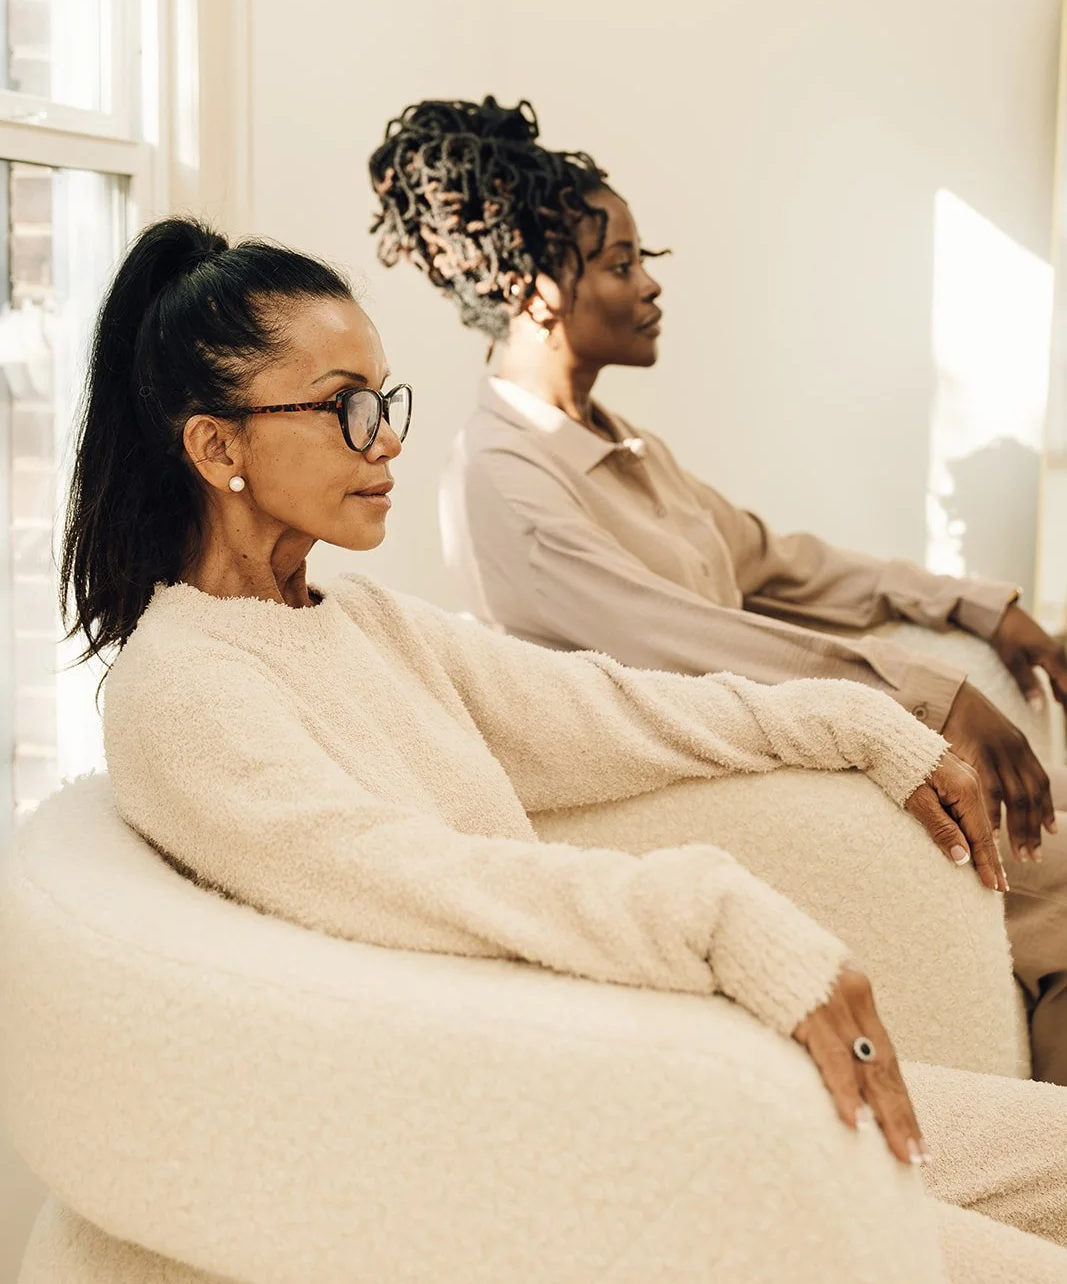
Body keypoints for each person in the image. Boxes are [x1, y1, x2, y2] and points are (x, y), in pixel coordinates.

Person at [60, 217, 1067, 1275]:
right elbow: (419, 882)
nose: (387, 438)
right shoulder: (181, 693)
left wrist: (867, 726)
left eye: (385, 399)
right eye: (345, 407)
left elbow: (616, 704)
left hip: (669, 1071)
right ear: (216, 445)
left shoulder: (359, 619)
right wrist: (724, 920)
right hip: (566, 1137)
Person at [368, 96, 1067, 1085]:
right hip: (690, 795)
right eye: (620, 264)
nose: (650, 285)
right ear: (533, 290)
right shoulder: (506, 483)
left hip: (760, 748)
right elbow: (697, 644)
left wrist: (973, 605)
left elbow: (776, 562)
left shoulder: (620, 441)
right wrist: (929, 696)